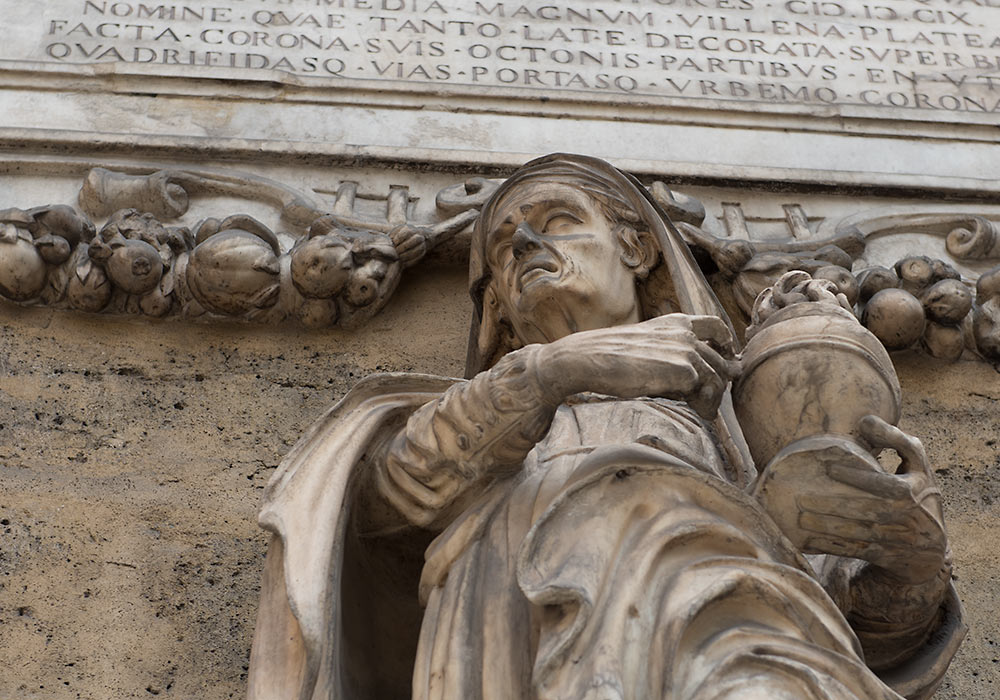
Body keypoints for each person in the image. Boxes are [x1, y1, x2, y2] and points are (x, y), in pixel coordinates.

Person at [248, 154, 963, 700]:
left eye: (557, 221)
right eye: (502, 249)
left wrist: (909, 567)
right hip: (510, 608)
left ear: (637, 249)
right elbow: (379, 511)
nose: (525, 243)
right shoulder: (489, 414)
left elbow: (846, 616)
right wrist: (553, 371)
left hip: (725, 602)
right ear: (498, 304)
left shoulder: (728, 429)